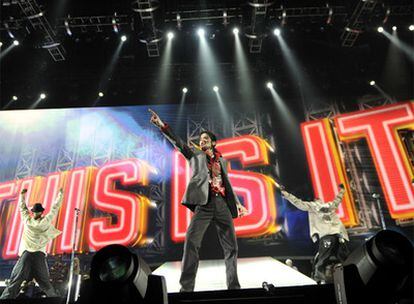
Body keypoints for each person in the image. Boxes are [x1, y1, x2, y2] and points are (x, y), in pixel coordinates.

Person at [149, 108, 248, 292]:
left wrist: (238, 204)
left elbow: (228, 184)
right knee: (192, 242)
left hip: (222, 205)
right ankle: (186, 288)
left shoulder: (222, 161)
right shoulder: (195, 156)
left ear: (213, 143)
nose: (201, 141)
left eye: (205, 139)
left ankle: (234, 287)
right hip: (204, 204)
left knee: (231, 247)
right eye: (200, 140)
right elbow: (178, 143)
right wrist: (161, 125)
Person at [275, 182, 349, 283]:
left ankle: (350, 274)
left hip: (338, 235)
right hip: (327, 236)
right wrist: (285, 194)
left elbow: (337, 200)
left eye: (319, 199)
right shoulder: (312, 207)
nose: (319, 200)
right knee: (323, 259)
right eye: (317, 200)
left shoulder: (330, 206)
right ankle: (319, 278)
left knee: (344, 257)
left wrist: (342, 191)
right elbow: (298, 202)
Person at [0, 188, 64, 299]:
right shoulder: (46, 221)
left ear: (33, 212)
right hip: (39, 255)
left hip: (27, 254)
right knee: (44, 281)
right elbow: (55, 208)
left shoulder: (27, 221)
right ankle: (54, 299)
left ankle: (6, 299)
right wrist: (60, 195)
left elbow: (22, 208)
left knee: (17, 279)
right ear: (41, 212)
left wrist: (22, 196)